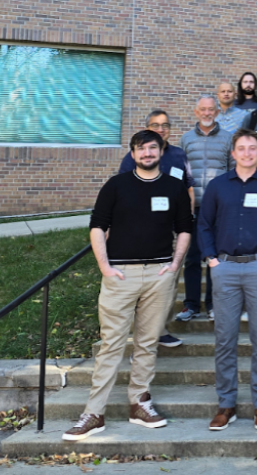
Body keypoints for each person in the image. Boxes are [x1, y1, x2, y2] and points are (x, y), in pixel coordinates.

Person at [63, 130, 192, 442]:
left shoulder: (174, 187)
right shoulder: (116, 185)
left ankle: (139, 404)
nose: (147, 153)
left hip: (159, 275)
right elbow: (97, 227)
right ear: (132, 154)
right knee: (111, 345)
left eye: (152, 148)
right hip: (121, 275)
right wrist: (104, 267)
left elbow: (185, 228)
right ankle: (94, 413)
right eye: (140, 149)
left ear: (161, 151)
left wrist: (174, 265)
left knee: (147, 343)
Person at [199, 129, 257, 432]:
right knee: (224, 340)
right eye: (241, 148)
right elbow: (203, 225)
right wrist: (212, 259)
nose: (247, 153)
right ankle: (226, 404)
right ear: (233, 153)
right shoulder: (217, 187)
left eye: (253, 148)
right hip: (224, 269)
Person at [118, 111, 193, 349]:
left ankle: (160, 329)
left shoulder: (180, 155)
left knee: (169, 281)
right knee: (145, 284)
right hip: (144, 234)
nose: (161, 129)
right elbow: (122, 192)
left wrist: (186, 221)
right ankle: (143, 337)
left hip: (173, 232)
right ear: (147, 127)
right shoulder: (135, 156)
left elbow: (188, 190)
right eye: (155, 125)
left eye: (165, 125)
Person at [174, 98, 235, 325]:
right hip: (192, 207)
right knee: (191, 258)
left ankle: (212, 304)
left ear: (217, 112)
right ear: (196, 111)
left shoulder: (228, 138)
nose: (207, 113)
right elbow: (180, 172)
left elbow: (231, 172)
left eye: (211, 109)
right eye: (203, 109)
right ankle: (191, 305)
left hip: (218, 209)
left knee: (215, 258)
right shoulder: (186, 139)